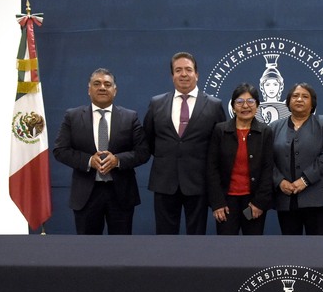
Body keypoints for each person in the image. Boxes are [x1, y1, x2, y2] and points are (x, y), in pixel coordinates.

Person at [53, 68, 149, 234]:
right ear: (89, 89)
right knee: (87, 247)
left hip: (121, 194)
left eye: (107, 84)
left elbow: (143, 152)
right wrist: (89, 160)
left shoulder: (130, 117)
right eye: (97, 84)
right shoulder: (72, 116)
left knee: (121, 247)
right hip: (85, 195)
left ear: (115, 90)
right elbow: (60, 150)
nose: (102, 87)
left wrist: (118, 160)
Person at [143, 52, 226, 235]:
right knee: (164, 238)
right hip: (164, 182)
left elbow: (220, 146)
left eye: (188, 70)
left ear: (197, 74)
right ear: (172, 75)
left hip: (198, 182)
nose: (183, 74)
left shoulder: (214, 105)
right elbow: (148, 140)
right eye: (178, 70)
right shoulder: (156, 103)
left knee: (196, 239)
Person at [270, 83, 323, 235]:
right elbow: (267, 160)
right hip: (286, 198)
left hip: (317, 198)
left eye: (305, 96)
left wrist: (305, 180)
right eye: (295, 96)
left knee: (317, 246)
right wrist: (279, 181)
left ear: (312, 103)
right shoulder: (274, 127)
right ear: (288, 101)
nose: (299, 99)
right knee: (290, 246)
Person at [207, 83, 273, 235]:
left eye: (250, 101)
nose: (245, 106)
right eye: (240, 102)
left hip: (253, 202)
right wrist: (217, 203)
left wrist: (259, 203)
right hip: (226, 202)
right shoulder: (220, 130)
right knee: (226, 246)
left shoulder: (265, 132)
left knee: (252, 246)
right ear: (233, 106)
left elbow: (268, 169)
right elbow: (212, 169)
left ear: (257, 105)